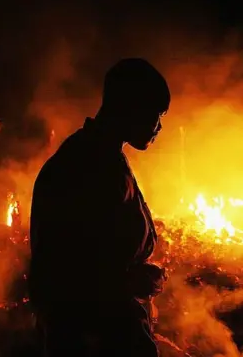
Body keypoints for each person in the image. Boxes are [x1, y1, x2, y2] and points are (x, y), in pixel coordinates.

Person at [29, 58, 169, 357]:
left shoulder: (103, 156)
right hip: (91, 336)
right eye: (156, 114)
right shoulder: (89, 164)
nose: (159, 126)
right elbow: (70, 263)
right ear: (132, 108)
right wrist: (131, 281)